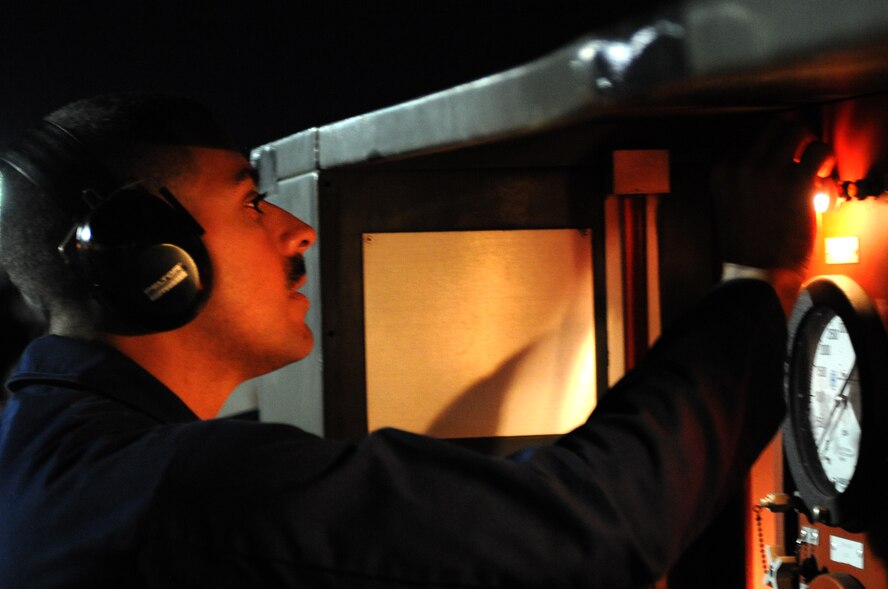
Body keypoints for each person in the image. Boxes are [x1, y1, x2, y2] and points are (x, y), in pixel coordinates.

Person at [0, 93, 832, 588]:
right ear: (160, 264)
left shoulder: (45, 453)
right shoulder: (180, 490)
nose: (298, 232)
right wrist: (760, 279)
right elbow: (595, 527)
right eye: (252, 203)